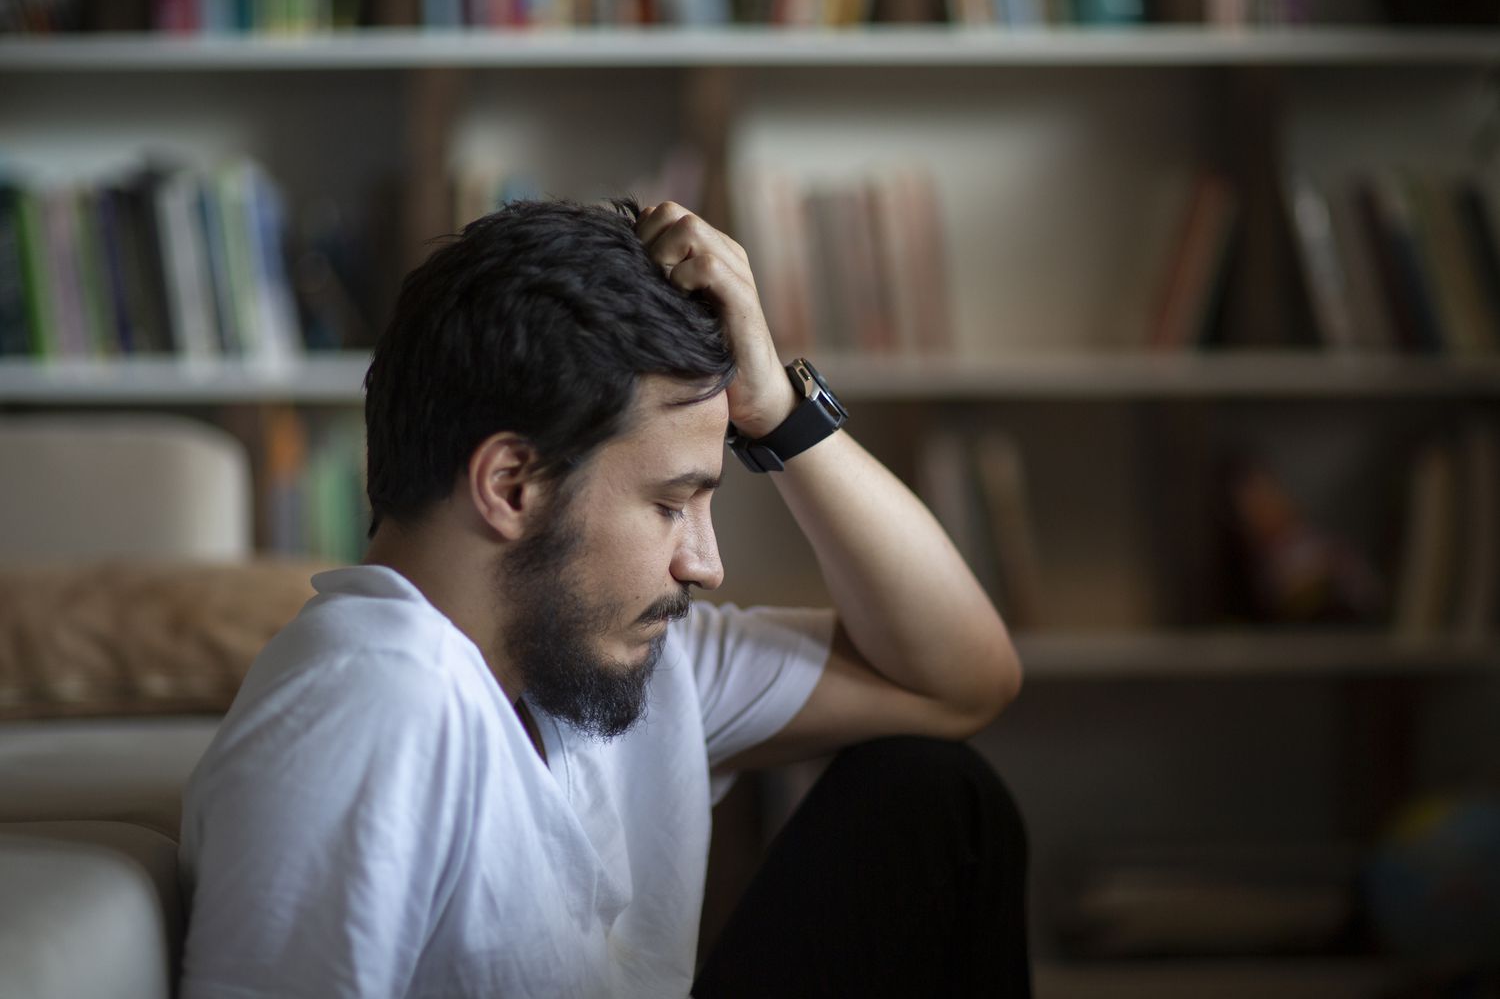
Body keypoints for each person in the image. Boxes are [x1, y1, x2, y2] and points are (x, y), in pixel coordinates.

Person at [177, 197, 1029, 998]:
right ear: (512, 485)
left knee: (931, 797)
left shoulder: (595, 655)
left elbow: (957, 683)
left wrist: (779, 413)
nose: (705, 563)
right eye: (670, 504)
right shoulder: (375, 701)